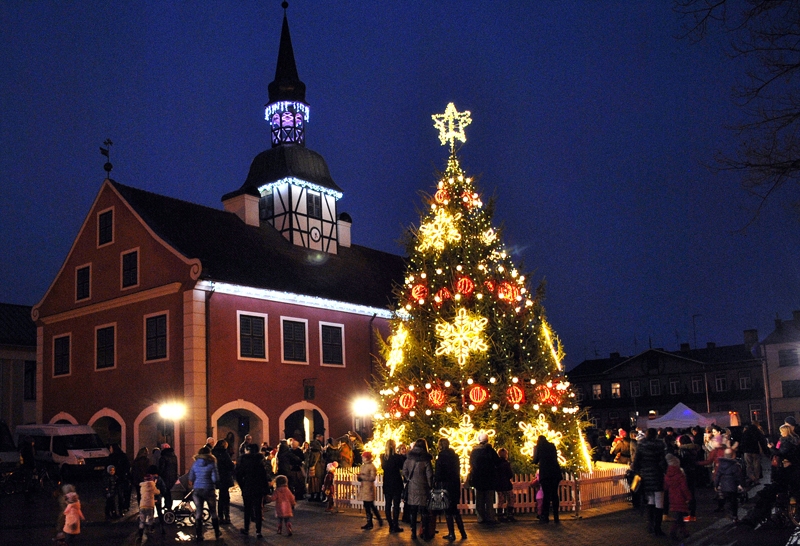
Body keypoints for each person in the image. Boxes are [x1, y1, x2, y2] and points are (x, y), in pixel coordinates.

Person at [632, 428, 667, 536]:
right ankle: (657, 527)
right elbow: (663, 461)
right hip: (657, 475)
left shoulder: (641, 445)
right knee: (659, 502)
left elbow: (636, 461)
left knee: (650, 500)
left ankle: (650, 525)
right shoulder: (660, 445)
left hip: (646, 475)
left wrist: (638, 471)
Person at [435, 438, 467, 541]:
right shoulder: (455, 456)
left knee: (448, 510)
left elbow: (439, 473)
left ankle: (452, 533)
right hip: (454, 484)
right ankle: (462, 532)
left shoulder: (441, 457)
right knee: (454, 509)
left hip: (446, 485)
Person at [403, 438, 434, 540]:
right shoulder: (426, 459)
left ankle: (413, 533)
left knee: (413, 511)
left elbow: (405, 471)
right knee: (424, 511)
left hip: (412, 487)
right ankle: (424, 532)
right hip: (423, 487)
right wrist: (430, 486)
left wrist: (409, 479)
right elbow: (429, 474)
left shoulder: (409, 457)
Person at [188, 446, 221, 542]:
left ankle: (199, 535)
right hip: (209, 489)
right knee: (213, 511)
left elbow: (191, 478)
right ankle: (217, 532)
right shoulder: (212, 463)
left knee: (198, 512)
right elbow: (215, 479)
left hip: (197, 490)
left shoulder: (195, 464)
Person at [237, 443, 269, 538]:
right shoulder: (260, 460)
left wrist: (242, 486)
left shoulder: (243, 460)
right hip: (258, 487)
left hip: (248, 486)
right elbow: (264, 476)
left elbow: (238, 475)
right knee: (258, 509)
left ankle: (246, 529)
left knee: (247, 509)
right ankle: (258, 531)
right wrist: (266, 489)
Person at [469, 432, 499, 524]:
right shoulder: (490, 450)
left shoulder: (474, 451)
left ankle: (480, 517)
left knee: (479, 499)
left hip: (478, 478)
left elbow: (472, 463)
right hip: (489, 478)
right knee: (489, 499)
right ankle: (490, 517)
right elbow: (496, 461)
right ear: (487, 440)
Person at [533, 435, 562, 525]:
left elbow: (535, 460)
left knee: (546, 495)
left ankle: (545, 517)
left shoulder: (538, 447)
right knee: (554, 494)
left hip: (545, 474)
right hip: (555, 473)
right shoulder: (552, 446)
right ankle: (556, 517)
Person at [663, 453, 691, 540]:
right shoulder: (680, 475)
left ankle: (684, 531)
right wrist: (688, 497)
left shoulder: (668, 476)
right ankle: (673, 532)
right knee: (679, 518)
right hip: (681, 498)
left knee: (679, 516)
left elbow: (665, 487)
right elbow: (684, 488)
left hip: (672, 498)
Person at [381, 439, 406, 533]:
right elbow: (402, 467)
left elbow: (384, 467)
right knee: (396, 505)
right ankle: (395, 524)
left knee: (388, 505)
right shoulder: (397, 457)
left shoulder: (383, 457)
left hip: (387, 483)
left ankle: (390, 524)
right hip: (396, 482)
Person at [715, 448, 744, 523]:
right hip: (732, 486)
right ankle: (734, 516)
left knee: (727, 500)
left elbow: (718, 475)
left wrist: (716, 484)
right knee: (734, 501)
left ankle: (729, 513)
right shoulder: (735, 465)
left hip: (724, 486)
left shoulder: (721, 464)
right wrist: (740, 484)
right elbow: (738, 476)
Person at [357, 451, 382, 529]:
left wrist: (363, 477)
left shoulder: (371, 466)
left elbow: (372, 478)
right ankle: (370, 521)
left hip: (369, 488)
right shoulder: (363, 466)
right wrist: (359, 477)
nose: (362, 459)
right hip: (364, 487)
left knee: (370, 505)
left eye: (363, 457)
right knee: (367, 505)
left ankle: (373, 521)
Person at [211, 439, 234, 524]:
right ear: (223, 445)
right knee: (225, 497)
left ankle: (220, 516)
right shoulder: (224, 453)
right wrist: (233, 465)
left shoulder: (213, 453)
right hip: (225, 478)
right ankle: (226, 515)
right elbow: (230, 466)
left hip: (217, 478)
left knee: (221, 497)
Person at [108, 444, 131, 513]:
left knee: (116, 494)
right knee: (122, 494)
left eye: (111, 448)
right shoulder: (123, 456)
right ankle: (123, 508)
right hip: (122, 477)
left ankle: (115, 510)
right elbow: (127, 466)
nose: (110, 450)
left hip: (116, 478)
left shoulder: (112, 457)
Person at [137, 470, 159, 542]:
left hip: (142, 505)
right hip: (150, 506)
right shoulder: (153, 486)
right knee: (150, 519)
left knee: (142, 520)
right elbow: (157, 492)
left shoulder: (142, 486)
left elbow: (141, 493)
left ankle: (140, 534)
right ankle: (150, 532)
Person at [495, 447, 516, 522]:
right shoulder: (506, 464)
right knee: (510, 498)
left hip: (498, 484)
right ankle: (509, 514)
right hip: (506, 484)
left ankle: (500, 516)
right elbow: (510, 474)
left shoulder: (496, 464)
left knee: (501, 500)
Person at [157, 443, 178, 511]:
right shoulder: (174, 456)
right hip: (173, 477)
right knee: (170, 492)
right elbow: (175, 467)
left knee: (166, 492)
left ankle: (167, 505)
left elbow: (161, 468)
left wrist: (159, 475)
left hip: (165, 477)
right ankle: (169, 506)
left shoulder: (163, 457)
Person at [306, 435, 325, 502]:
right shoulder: (318, 452)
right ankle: (316, 496)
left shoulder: (315, 452)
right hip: (318, 470)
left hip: (315, 470)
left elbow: (313, 461)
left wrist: (310, 465)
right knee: (316, 484)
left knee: (314, 483)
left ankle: (315, 496)